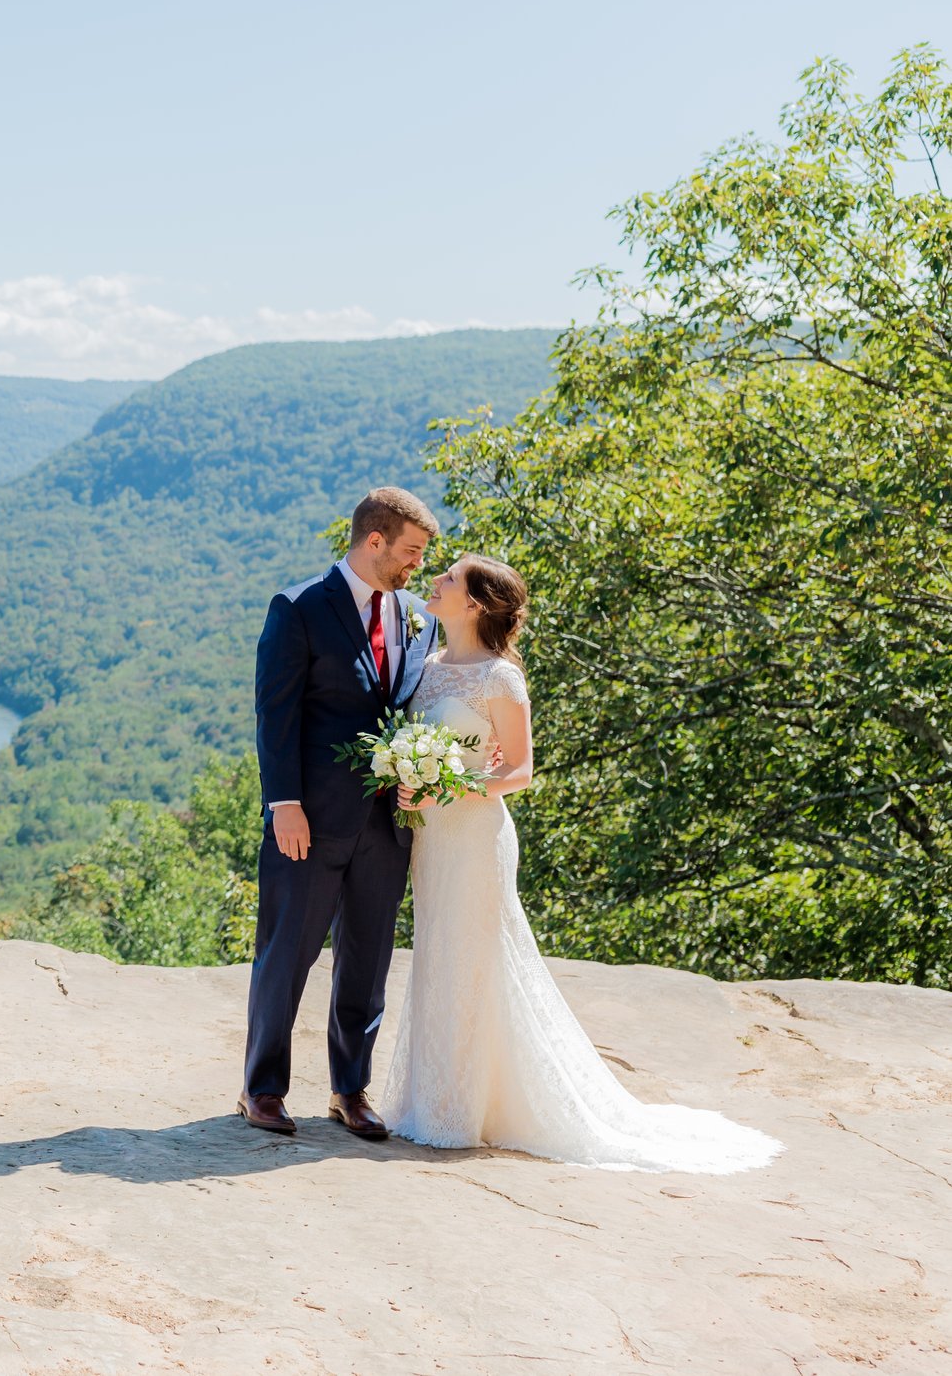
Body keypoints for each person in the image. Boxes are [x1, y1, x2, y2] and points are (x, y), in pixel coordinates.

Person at [379, 554, 781, 1171]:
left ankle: (463, 1112)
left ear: (477, 604)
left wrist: (447, 786)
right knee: (438, 955)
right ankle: (435, 1103)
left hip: (477, 838)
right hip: (432, 840)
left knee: (474, 959)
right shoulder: (429, 667)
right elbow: (416, 745)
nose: (435, 581)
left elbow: (518, 771)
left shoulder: (500, 679)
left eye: (450, 578)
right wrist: (409, 782)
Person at [240, 486, 439, 1138]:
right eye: (411, 551)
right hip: (310, 819)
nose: (418, 566)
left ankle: (349, 1090)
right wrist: (284, 804)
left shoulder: (415, 614)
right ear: (374, 540)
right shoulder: (298, 608)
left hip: (387, 823)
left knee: (368, 956)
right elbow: (276, 714)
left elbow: (409, 710)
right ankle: (261, 1089)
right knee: (286, 952)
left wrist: (419, 775)